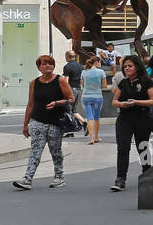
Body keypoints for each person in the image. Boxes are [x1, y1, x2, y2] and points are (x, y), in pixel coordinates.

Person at [13, 54, 74, 190]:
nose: (48, 66)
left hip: (55, 122)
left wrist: (57, 103)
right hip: (37, 121)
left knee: (55, 150)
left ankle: (59, 176)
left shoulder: (61, 80)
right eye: (44, 64)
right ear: (39, 67)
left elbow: (71, 99)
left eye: (50, 63)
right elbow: (30, 104)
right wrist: (25, 124)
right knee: (35, 150)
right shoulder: (34, 83)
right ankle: (27, 179)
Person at [110, 54, 153, 192]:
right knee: (123, 147)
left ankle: (147, 173)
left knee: (142, 146)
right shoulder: (123, 83)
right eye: (125, 66)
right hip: (124, 118)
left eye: (130, 66)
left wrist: (137, 102)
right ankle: (120, 178)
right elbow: (114, 101)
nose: (127, 68)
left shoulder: (146, 82)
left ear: (137, 66)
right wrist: (121, 104)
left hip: (142, 117)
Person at [81, 56, 107, 145]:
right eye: (100, 62)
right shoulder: (101, 72)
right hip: (97, 97)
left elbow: (83, 85)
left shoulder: (84, 72)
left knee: (89, 117)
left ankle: (91, 138)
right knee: (96, 117)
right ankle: (96, 137)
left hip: (86, 97)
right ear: (96, 62)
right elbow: (104, 86)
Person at [62, 51, 84, 119]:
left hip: (71, 90)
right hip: (79, 90)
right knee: (73, 109)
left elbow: (66, 81)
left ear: (67, 56)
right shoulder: (80, 66)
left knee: (67, 109)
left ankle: (68, 126)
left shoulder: (67, 66)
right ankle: (84, 122)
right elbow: (82, 79)